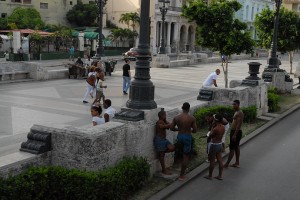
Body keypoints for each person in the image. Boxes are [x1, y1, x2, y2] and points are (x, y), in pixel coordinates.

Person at [170, 102, 197, 181]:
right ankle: (181, 175)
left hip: (180, 136)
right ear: (188, 109)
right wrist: (189, 129)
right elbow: (195, 130)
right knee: (186, 156)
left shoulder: (176, 117)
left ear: (182, 108)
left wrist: (178, 129)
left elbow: (171, 128)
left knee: (180, 153)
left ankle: (179, 168)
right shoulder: (192, 118)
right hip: (187, 137)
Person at [154, 108, 176, 175]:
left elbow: (169, 126)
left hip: (164, 140)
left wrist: (168, 123)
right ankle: (164, 169)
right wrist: (169, 124)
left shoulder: (164, 121)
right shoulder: (159, 122)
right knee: (162, 155)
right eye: (165, 115)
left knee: (172, 148)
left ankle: (161, 153)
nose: (165, 116)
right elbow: (161, 127)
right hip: (159, 140)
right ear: (161, 116)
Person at [224, 100, 244, 168]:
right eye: (232, 104)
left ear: (238, 104)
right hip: (235, 131)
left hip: (236, 132)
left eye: (234, 104)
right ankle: (237, 162)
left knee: (232, 148)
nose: (233, 106)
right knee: (236, 147)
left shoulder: (240, 113)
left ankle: (226, 164)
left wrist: (235, 134)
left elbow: (239, 124)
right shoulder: (237, 112)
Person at [204, 114, 225, 180]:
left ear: (216, 120)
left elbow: (210, 135)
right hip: (220, 144)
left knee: (212, 161)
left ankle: (210, 176)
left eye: (213, 118)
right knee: (220, 160)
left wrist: (212, 126)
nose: (212, 119)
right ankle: (220, 175)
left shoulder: (216, 128)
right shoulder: (223, 126)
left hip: (214, 145)